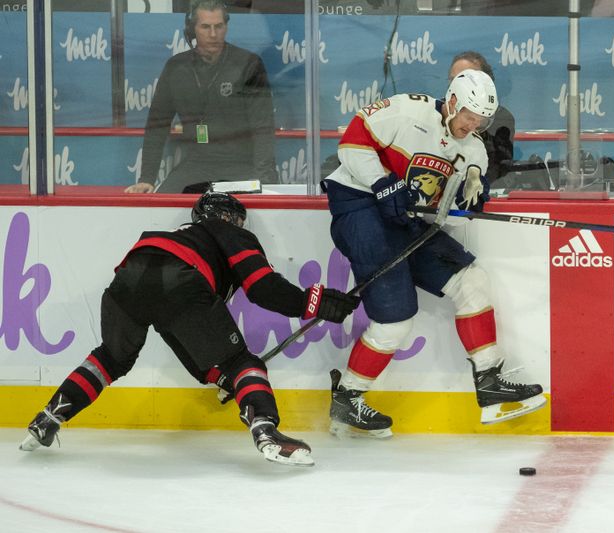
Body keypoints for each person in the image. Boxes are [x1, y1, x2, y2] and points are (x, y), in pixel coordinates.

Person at [19, 192, 360, 466]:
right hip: (181, 280)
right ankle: (267, 432)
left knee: (111, 358)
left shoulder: (177, 235)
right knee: (244, 364)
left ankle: (47, 418)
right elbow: (262, 287)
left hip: (128, 278)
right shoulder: (230, 233)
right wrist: (317, 302)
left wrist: (221, 378)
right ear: (230, 217)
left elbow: (184, 336)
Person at [322, 69, 547, 438]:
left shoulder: (473, 151)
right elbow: (350, 144)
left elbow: (449, 221)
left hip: (406, 221)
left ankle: (489, 380)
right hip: (360, 209)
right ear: (453, 102)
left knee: (472, 281)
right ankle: (348, 396)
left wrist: (465, 202)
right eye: (469, 117)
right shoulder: (407, 110)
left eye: (481, 120)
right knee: (395, 319)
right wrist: (381, 182)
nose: (472, 126)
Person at [126, 0, 278, 194]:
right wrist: (146, 178)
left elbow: (263, 126)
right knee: (163, 203)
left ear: (226, 26)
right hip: (196, 164)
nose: (213, 34)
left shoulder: (248, 64)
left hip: (241, 165)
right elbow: (158, 124)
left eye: (219, 26)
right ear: (193, 29)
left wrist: (264, 179)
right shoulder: (176, 68)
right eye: (206, 27)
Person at [448, 51, 515, 185]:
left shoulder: (501, 118)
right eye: (453, 80)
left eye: (468, 77)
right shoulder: (436, 111)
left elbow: (499, 169)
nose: (457, 85)